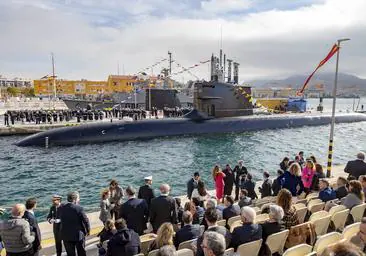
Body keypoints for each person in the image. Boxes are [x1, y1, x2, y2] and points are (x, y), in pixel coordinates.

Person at [59, 191, 90, 256]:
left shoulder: (61, 208)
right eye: (78, 198)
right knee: (81, 253)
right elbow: (86, 220)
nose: (79, 200)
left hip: (66, 235)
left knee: (70, 254)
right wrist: (88, 230)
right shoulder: (79, 208)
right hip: (78, 235)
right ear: (74, 200)